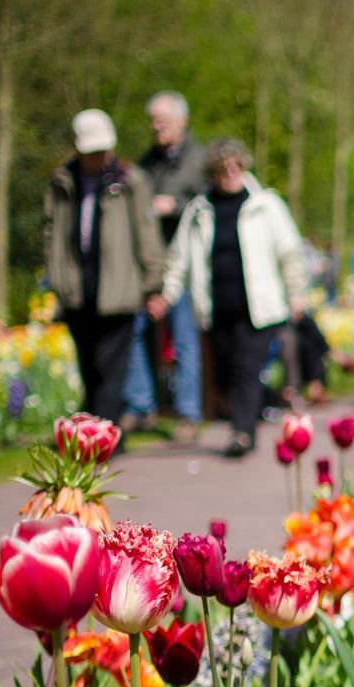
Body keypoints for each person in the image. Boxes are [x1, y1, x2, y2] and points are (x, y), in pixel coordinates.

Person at [153, 138, 307, 458]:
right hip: (216, 307)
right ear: (213, 173)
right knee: (224, 371)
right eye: (224, 169)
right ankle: (247, 416)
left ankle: (243, 432)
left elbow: (290, 252)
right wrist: (166, 295)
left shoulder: (265, 205)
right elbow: (178, 259)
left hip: (258, 307)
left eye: (236, 167)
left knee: (246, 367)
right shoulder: (199, 211)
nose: (231, 174)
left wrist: (296, 293)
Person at [45, 110, 166, 425]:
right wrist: (57, 279)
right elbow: (51, 232)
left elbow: (147, 233)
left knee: (110, 367)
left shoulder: (130, 182)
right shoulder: (62, 182)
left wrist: (154, 285)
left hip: (119, 289)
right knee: (88, 366)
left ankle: (104, 435)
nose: (100, 157)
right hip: (77, 289)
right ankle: (94, 431)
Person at [125, 90, 208, 437]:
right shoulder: (145, 164)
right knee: (137, 330)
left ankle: (188, 412)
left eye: (163, 119)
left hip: (185, 263)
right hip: (150, 263)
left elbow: (205, 204)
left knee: (185, 337)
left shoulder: (200, 160)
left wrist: (172, 205)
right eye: (153, 119)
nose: (156, 125)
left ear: (182, 121)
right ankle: (141, 405)